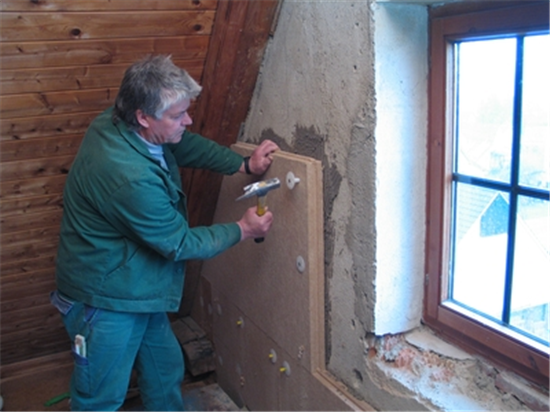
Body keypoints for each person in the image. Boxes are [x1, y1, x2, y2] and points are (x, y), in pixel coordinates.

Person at [50, 55, 279, 411]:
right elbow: (179, 243)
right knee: (100, 397)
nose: (187, 121)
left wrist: (242, 164)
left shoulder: (119, 122)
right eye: (177, 115)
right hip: (104, 299)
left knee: (164, 370)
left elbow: (181, 143)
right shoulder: (129, 176)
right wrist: (242, 230)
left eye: (186, 111)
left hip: (136, 285)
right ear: (143, 116)